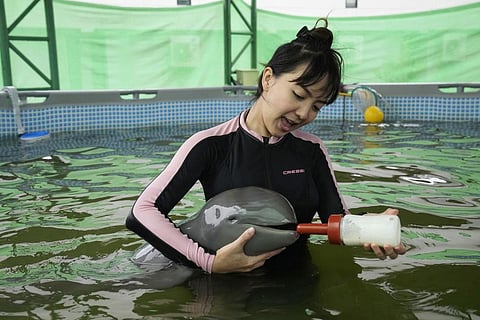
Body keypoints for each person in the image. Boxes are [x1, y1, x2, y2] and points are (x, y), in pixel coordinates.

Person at [126, 19, 406, 274]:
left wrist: (367, 228)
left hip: (296, 279)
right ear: (268, 79)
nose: (304, 113)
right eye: (298, 95)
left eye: (316, 106)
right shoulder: (211, 145)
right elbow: (143, 211)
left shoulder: (311, 150)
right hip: (226, 282)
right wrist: (209, 262)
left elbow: (336, 220)